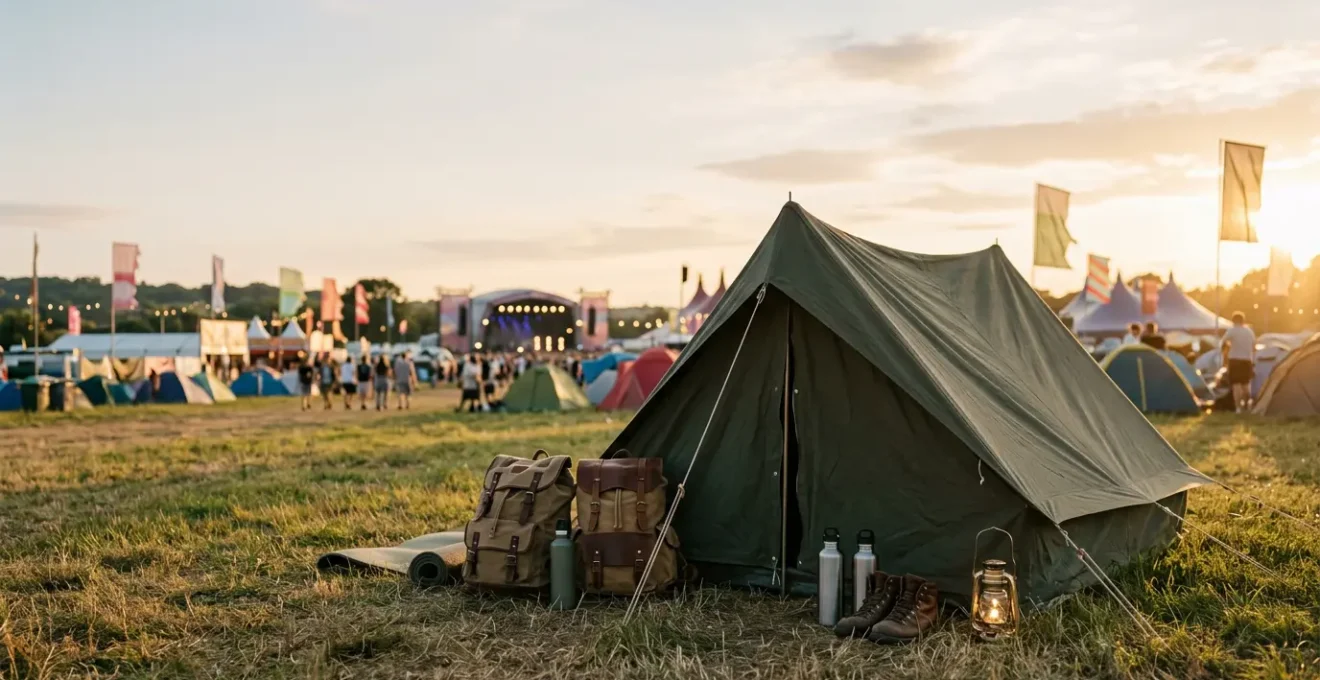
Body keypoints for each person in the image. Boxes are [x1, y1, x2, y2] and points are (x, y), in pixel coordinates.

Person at [1221, 312, 1256, 413]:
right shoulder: (1249, 331)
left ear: (1233, 321)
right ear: (1243, 320)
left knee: (1236, 385)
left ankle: (1238, 408)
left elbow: (1223, 342)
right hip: (1247, 360)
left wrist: (1228, 348)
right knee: (1245, 384)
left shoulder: (1232, 330)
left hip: (1235, 360)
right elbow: (1254, 346)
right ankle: (1247, 403)